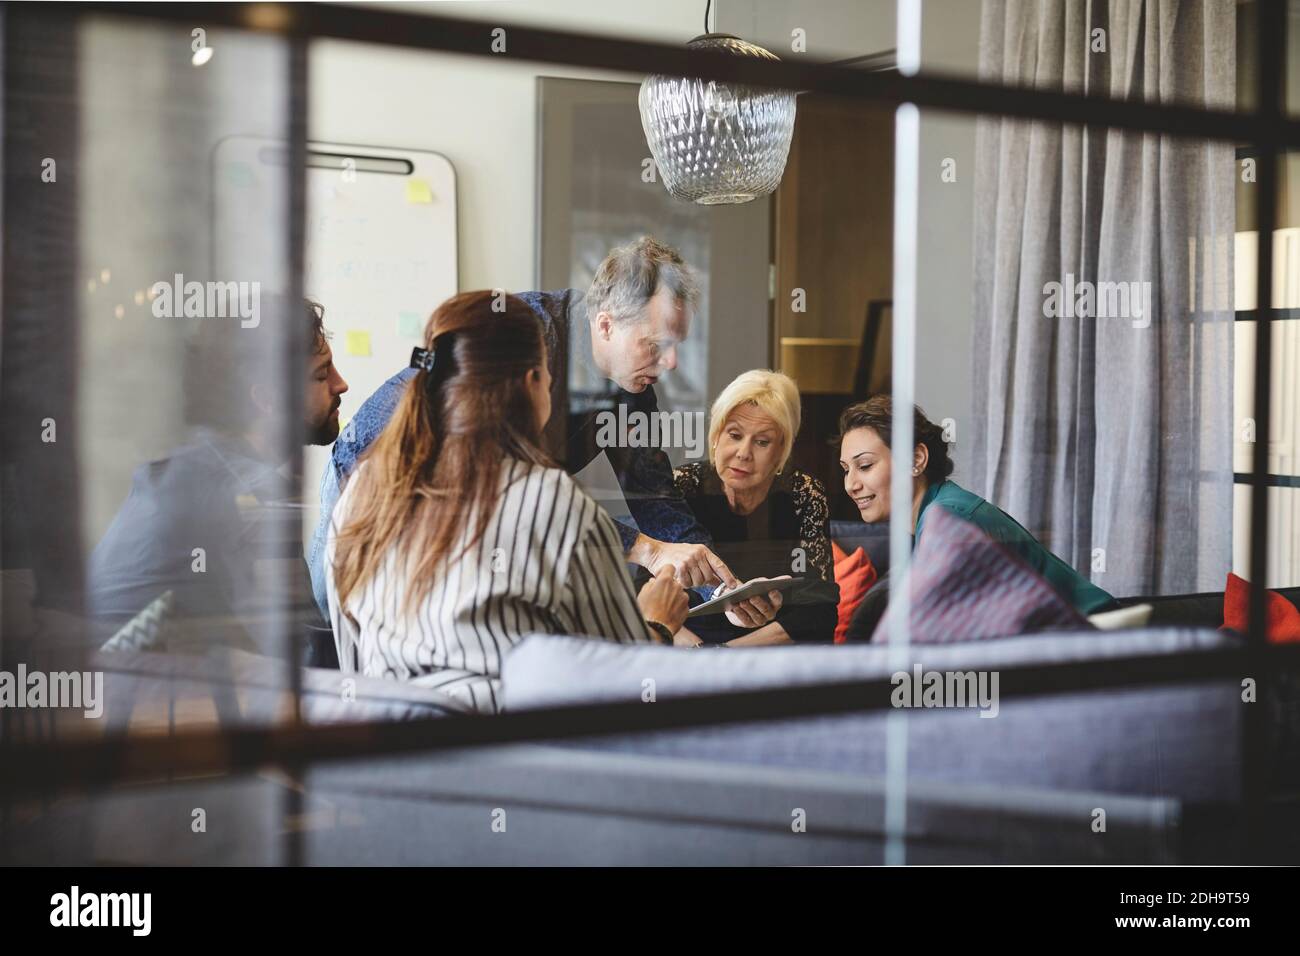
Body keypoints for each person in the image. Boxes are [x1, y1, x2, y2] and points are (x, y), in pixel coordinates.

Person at [308, 236, 773, 626]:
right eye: (657, 344)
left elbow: (655, 501)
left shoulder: (633, 389)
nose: (671, 363)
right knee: (337, 627)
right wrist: (647, 551)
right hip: (368, 469)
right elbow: (508, 493)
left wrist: (722, 588)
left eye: (676, 346)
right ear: (606, 324)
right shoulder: (523, 342)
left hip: (456, 509)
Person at [325, 291, 688, 713]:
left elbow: (357, 672)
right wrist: (657, 624)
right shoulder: (553, 502)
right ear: (533, 383)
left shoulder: (362, 492)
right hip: (505, 767)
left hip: (386, 761)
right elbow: (621, 689)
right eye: (548, 378)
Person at [87, 298, 349, 654]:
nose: (341, 384)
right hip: (144, 696)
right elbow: (298, 652)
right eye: (322, 374)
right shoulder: (252, 492)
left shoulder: (188, 469)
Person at [836, 395, 1114, 634]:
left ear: (916, 460)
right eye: (846, 469)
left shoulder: (950, 519)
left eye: (865, 465)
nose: (851, 485)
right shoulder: (933, 517)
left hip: (1097, 643)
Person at [673, 370, 839, 645]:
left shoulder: (804, 494)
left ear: (782, 451)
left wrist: (726, 655)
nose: (743, 453)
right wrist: (699, 655)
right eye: (734, 435)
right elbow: (646, 597)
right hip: (688, 649)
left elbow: (819, 609)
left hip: (767, 649)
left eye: (762, 442)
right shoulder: (684, 486)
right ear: (716, 436)